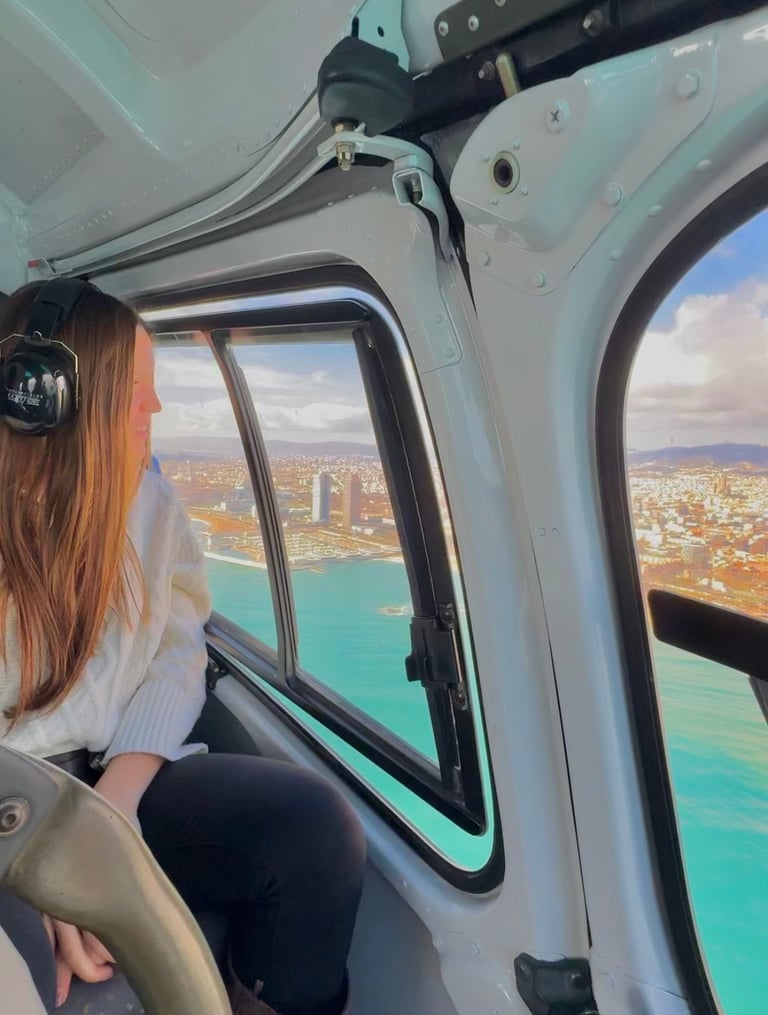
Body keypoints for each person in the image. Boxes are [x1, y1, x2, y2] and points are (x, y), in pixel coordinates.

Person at [0, 280, 365, 1015]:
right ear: (54, 401)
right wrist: (39, 861)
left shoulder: (152, 506)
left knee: (313, 830)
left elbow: (177, 653)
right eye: (138, 392)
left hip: (112, 779)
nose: (157, 408)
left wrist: (117, 805)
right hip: (12, 807)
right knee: (20, 972)